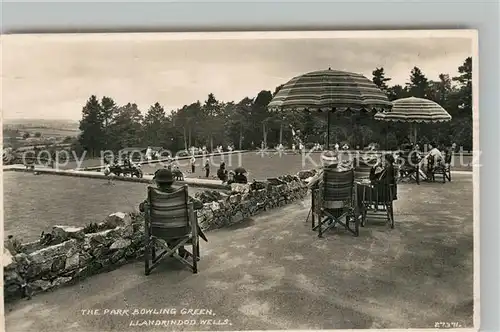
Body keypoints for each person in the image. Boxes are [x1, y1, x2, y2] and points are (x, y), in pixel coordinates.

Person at [138, 169, 207, 257]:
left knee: (168, 226)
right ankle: (178, 250)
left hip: (158, 231)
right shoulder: (181, 194)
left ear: (157, 182)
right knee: (182, 223)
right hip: (182, 230)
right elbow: (199, 205)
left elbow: (141, 208)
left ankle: (172, 249)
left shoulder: (153, 196)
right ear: (172, 181)